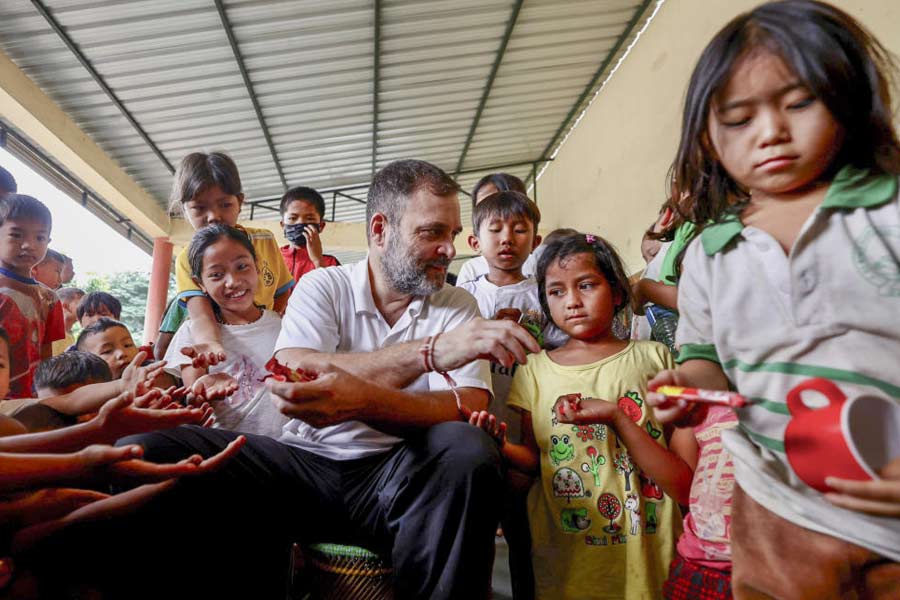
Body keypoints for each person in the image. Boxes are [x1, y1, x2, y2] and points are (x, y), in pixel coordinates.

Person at [31, 159, 540, 599]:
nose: (449, 249)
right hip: (306, 469)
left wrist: (355, 398)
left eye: (452, 234)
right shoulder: (325, 285)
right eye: (432, 233)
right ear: (380, 229)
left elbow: (466, 404)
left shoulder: (457, 302)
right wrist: (430, 355)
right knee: (147, 450)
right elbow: (296, 370)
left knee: (468, 448)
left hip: (399, 476)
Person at [648, 1, 900, 595]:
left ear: (848, 97)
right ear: (707, 136)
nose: (770, 132)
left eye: (799, 103)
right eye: (739, 118)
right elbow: (706, 358)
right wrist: (686, 389)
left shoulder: (888, 214)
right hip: (774, 509)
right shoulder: (710, 253)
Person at [470, 231, 687, 599]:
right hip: (569, 561)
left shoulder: (655, 359)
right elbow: (534, 462)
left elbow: (682, 479)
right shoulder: (535, 370)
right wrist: (499, 445)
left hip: (650, 555)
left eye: (586, 285)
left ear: (616, 292)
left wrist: (618, 419)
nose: (572, 301)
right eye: (556, 291)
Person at [458, 190, 547, 600]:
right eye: (495, 229)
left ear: (536, 240)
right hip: (476, 423)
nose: (507, 238)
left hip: (527, 425)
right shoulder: (464, 297)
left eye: (519, 230)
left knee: (524, 528)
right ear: (475, 241)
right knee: (475, 528)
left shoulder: (544, 294)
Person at [160, 151, 293, 366]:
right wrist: (211, 344)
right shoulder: (187, 260)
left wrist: (266, 326)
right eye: (199, 208)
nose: (214, 216)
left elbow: (281, 291)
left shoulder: (265, 241)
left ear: (239, 202)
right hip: (219, 349)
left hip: (265, 344)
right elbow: (201, 315)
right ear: (185, 209)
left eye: (225, 205)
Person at [163, 224, 287, 438]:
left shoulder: (285, 326)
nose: (233, 282)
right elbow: (194, 400)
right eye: (216, 274)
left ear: (257, 266)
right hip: (225, 449)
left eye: (242, 266)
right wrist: (201, 394)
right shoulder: (192, 334)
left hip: (285, 449)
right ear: (200, 283)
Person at [0, 195, 65, 400]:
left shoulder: (50, 300)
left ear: (48, 242)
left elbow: (46, 357)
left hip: (28, 401)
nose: (29, 245)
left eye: (40, 238)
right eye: (17, 235)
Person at [457, 173, 536, 285]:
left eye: (519, 230)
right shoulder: (471, 270)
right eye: (484, 204)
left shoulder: (538, 267)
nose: (506, 238)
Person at [76, 318, 175, 389]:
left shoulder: (155, 373)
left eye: (127, 345)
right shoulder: (90, 393)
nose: (122, 353)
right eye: (107, 351)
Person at [279, 186, 340, 285]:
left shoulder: (330, 263)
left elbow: (334, 292)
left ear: (321, 226)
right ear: (283, 225)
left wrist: (318, 261)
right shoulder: (272, 259)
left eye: (309, 218)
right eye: (293, 218)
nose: (300, 222)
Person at [51, 287, 84, 356]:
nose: (86, 309)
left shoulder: (71, 337)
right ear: (66, 306)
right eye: (82, 304)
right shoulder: (52, 334)